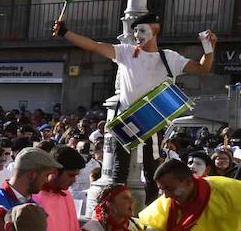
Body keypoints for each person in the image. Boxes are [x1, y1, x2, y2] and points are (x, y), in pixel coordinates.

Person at [54, 13, 216, 189]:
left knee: (153, 171)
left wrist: (209, 46)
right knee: (118, 171)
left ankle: (150, 213)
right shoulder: (125, 52)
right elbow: (94, 45)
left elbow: (203, 68)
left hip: (152, 121)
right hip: (126, 119)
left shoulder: (170, 58)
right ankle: (114, 209)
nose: (137, 35)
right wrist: (65, 33)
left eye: (141, 30)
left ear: (155, 30)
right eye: (135, 31)